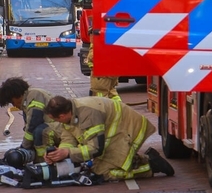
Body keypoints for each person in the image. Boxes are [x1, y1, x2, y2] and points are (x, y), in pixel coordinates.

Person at [43, 95, 175, 181]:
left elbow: (96, 149)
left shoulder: (88, 114)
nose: (58, 123)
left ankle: (150, 167)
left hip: (127, 129)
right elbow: (68, 139)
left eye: (55, 119)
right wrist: (59, 153)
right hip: (112, 134)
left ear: (61, 116)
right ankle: (138, 160)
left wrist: (68, 153)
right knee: (97, 166)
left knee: (103, 172)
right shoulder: (70, 113)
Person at [0, 77, 58, 162]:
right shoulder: (30, 97)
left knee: (40, 131)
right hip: (55, 128)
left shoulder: (34, 98)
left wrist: (24, 147)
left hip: (58, 130)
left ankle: (42, 162)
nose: (14, 106)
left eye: (12, 102)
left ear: (16, 96)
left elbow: (33, 125)